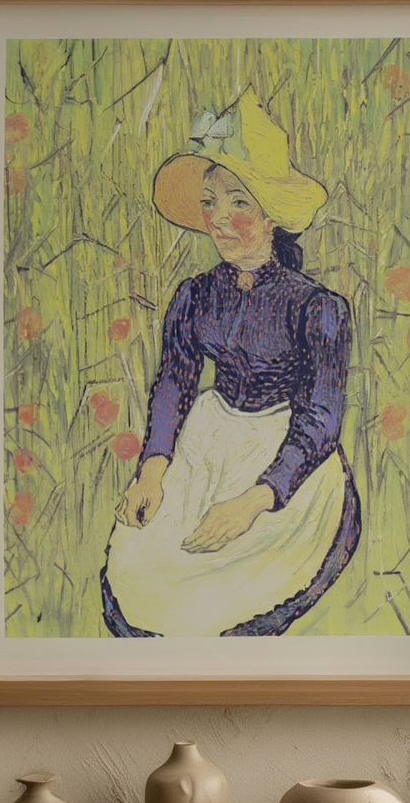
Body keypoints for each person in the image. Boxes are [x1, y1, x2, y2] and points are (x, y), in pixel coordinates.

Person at [100, 87, 361, 637]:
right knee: (143, 569)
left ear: (271, 218)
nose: (219, 218)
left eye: (238, 202)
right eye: (210, 202)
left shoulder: (316, 308)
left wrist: (254, 501)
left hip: (286, 459)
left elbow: (320, 419)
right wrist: (152, 470)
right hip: (209, 439)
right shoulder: (195, 295)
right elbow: (174, 383)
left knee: (233, 588)